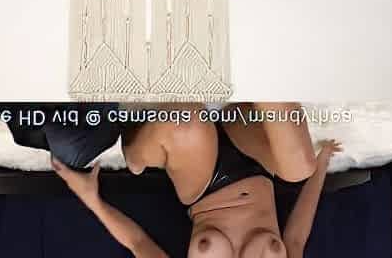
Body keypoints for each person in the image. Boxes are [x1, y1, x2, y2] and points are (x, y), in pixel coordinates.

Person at [52, 102, 342, 258]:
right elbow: (296, 238)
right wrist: (321, 164)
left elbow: (138, 243)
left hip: (205, 182)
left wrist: (92, 200)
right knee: (300, 167)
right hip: (256, 159)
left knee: (185, 120)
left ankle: (138, 155)